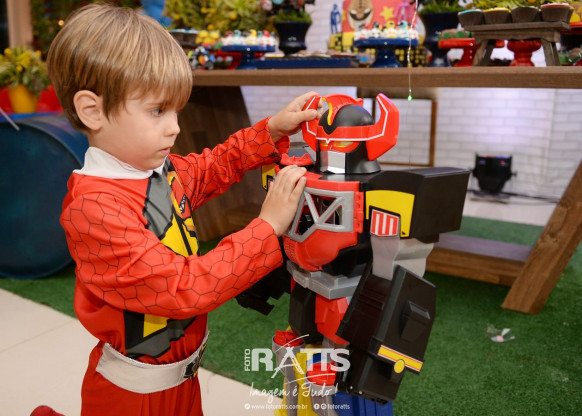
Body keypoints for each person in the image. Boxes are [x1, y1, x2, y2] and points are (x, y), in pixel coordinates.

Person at [45, 4, 318, 415]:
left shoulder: (153, 171)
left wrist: (269, 131)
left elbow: (212, 167)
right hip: (133, 400)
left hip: (181, 386)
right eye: (157, 110)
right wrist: (266, 227)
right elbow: (185, 287)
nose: (174, 126)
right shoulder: (94, 209)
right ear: (92, 111)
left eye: (176, 110)